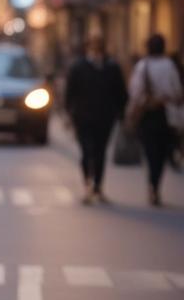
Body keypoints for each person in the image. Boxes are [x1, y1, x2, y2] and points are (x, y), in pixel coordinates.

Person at [64, 33, 127, 203]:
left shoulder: (112, 67)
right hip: (83, 117)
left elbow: (120, 93)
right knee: (86, 151)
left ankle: (98, 186)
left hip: (105, 117)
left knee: (100, 152)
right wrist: (69, 114)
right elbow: (70, 93)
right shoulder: (78, 67)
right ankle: (87, 185)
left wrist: (121, 114)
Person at [128, 33, 183, 206]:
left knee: (151, 152)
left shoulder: (142, 66)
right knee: (160, 152)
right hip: (166, 116)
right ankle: (155, 184)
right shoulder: (170, 66)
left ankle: (152, 184)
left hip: (148, 115)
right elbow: (177, 92)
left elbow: (135, 92)